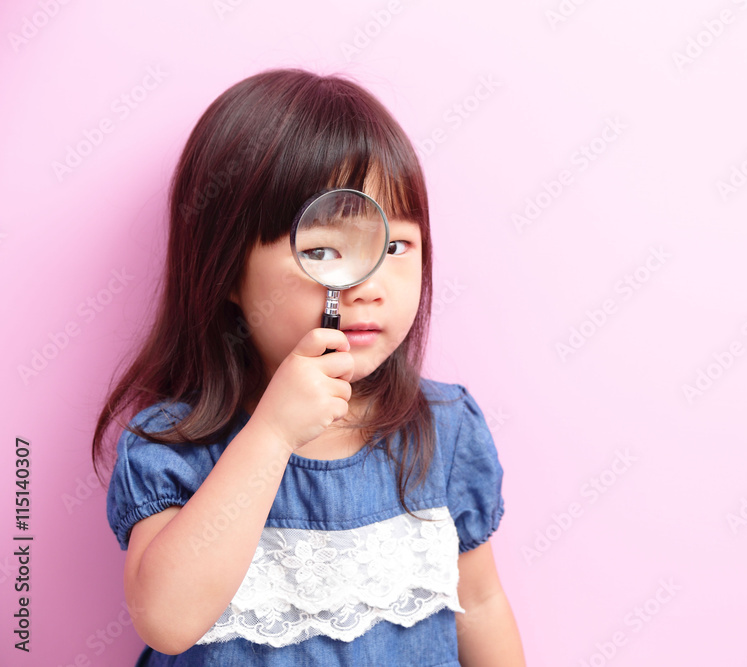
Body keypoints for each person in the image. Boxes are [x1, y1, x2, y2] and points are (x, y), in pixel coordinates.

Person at [91, 68, 525, 666]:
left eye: (394, 246)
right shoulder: (174, 445)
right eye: (322, 250)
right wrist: (271, 434)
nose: (368, 284)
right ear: (227, 274)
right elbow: (165, 621)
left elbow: (481, 603)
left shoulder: (444, 431)